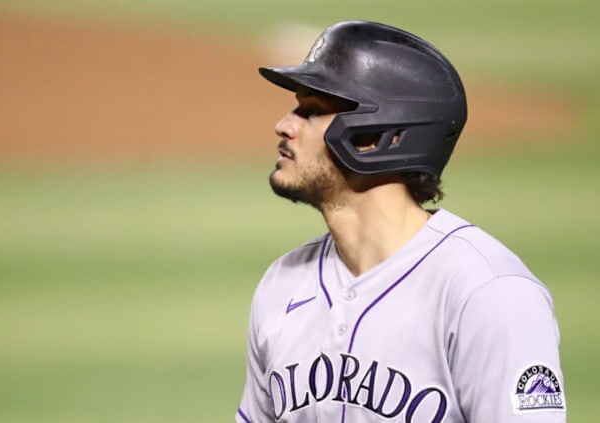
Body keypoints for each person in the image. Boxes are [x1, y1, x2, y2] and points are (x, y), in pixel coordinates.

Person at [235, 21, 566, 423]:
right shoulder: (282, 283)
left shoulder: (487, 293)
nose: (284, 125)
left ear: (375, 137)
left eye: (312, 111)